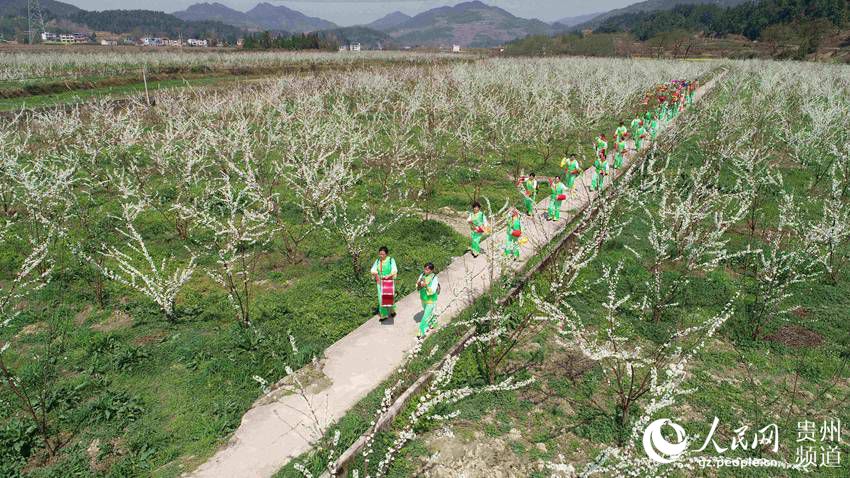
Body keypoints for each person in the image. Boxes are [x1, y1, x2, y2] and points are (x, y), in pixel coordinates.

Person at [370, 246, 398, 321]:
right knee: (381, 299)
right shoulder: (378, 261)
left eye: (383, 254)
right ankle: (384, 315)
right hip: (380, 282)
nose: (381, 256)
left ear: (387, 254)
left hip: (388, 281)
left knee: (388, 298)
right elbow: (373, 269)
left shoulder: (391, 260)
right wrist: (376, 275)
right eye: (380, 254)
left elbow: (394, 270)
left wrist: (388, 276)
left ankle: (392, 310)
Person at [416, 262, 440, 339]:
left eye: (427, 270)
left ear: (431, 270)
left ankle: (421, 331)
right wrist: (419, 284)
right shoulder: (422, 275)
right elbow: (417, 285)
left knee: (425, 316)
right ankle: (434, 323)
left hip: (431, 300)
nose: (425, 271)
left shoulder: (434, 278)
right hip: (423, 298)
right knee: (428, 313)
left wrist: (426, 286)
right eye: (425, 269)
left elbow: (433, 290)